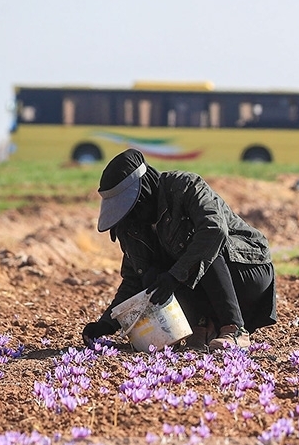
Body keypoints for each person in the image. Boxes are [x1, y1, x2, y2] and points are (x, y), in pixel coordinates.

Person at [80, 149, 276, 351]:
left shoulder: (184, 186)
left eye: (133, 204)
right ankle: (202, 327)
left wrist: (175, 276)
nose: (133, 214)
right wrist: (107, 323)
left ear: (145, 189)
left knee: (204, 245)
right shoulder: (134, 226)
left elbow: (215, 230)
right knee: (152, 276)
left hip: (245, 271)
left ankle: (234, 328)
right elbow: (133, 280)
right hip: (203, 285)